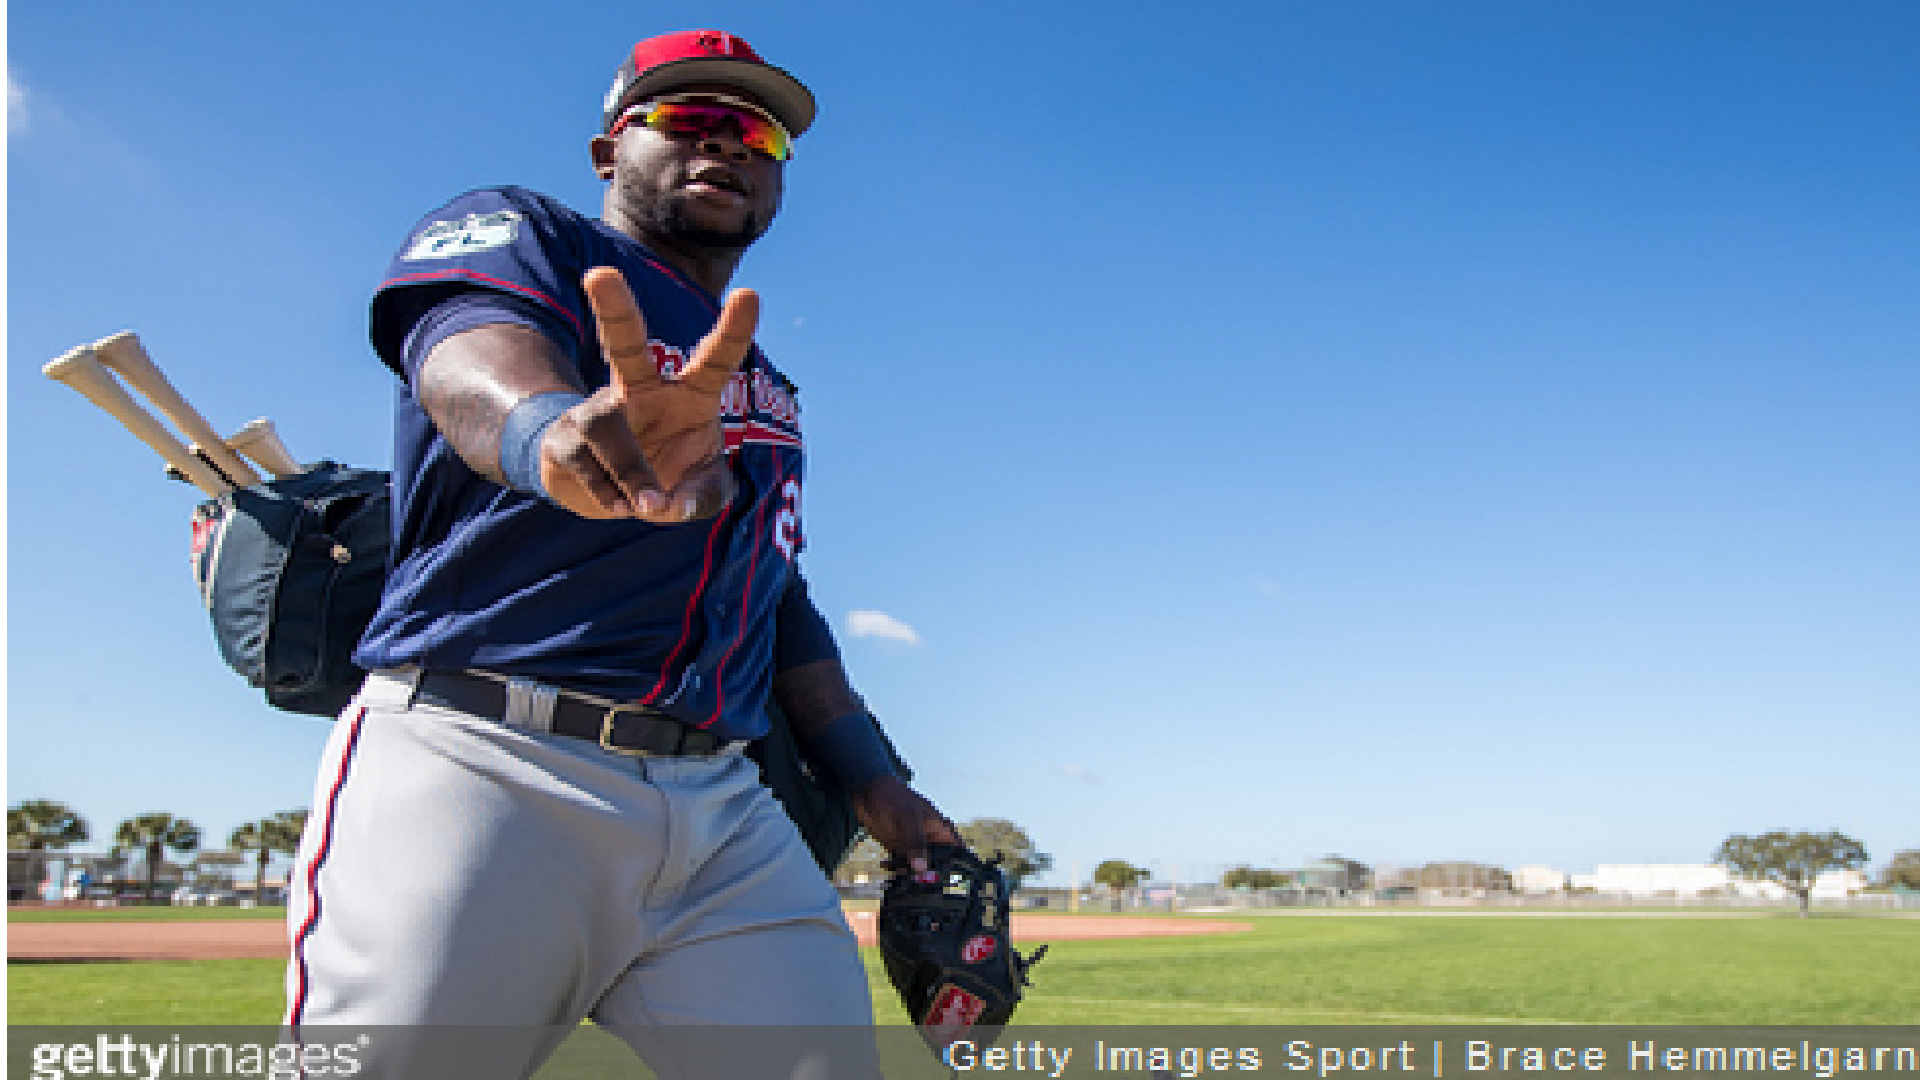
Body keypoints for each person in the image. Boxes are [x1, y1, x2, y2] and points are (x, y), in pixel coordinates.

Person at [284, 29, 957, 1076]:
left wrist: (875, 782)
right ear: (610, 153)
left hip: (723, 809)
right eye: (687, 121)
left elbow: (775, 589)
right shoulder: (525, 235)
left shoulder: (761, 378)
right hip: (489, 760)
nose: (726, 146)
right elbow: (468, 360)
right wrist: (546, 434)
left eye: (756, 132)